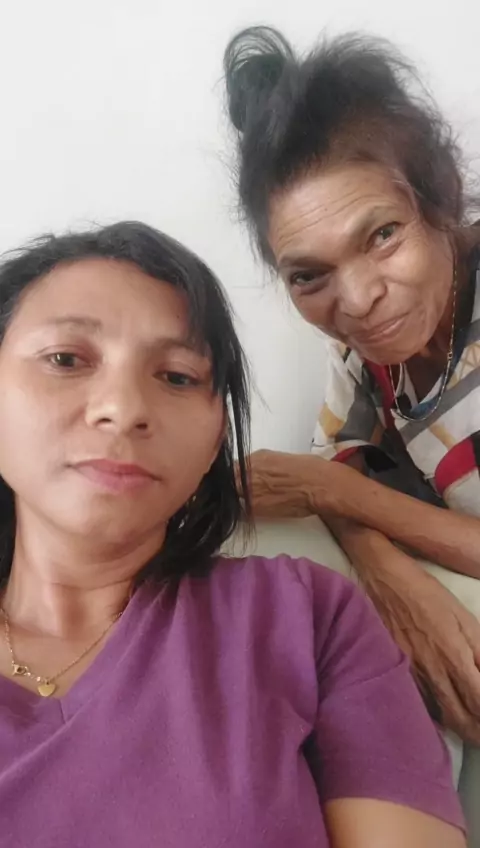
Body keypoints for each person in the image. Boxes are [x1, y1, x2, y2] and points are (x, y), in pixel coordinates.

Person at [0, 221, 465, 847]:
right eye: (65, 359)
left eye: (178, 376)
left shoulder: (305, 616)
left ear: (217, 433)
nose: (124, 408)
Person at [223, 26, 480, 746]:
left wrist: (328, 492)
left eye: (382, 235)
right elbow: (334, 468)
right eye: (310, 275)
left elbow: (327, 484)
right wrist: (390, 574)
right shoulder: (362, 354)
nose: (359, 300)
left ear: (439, 199)